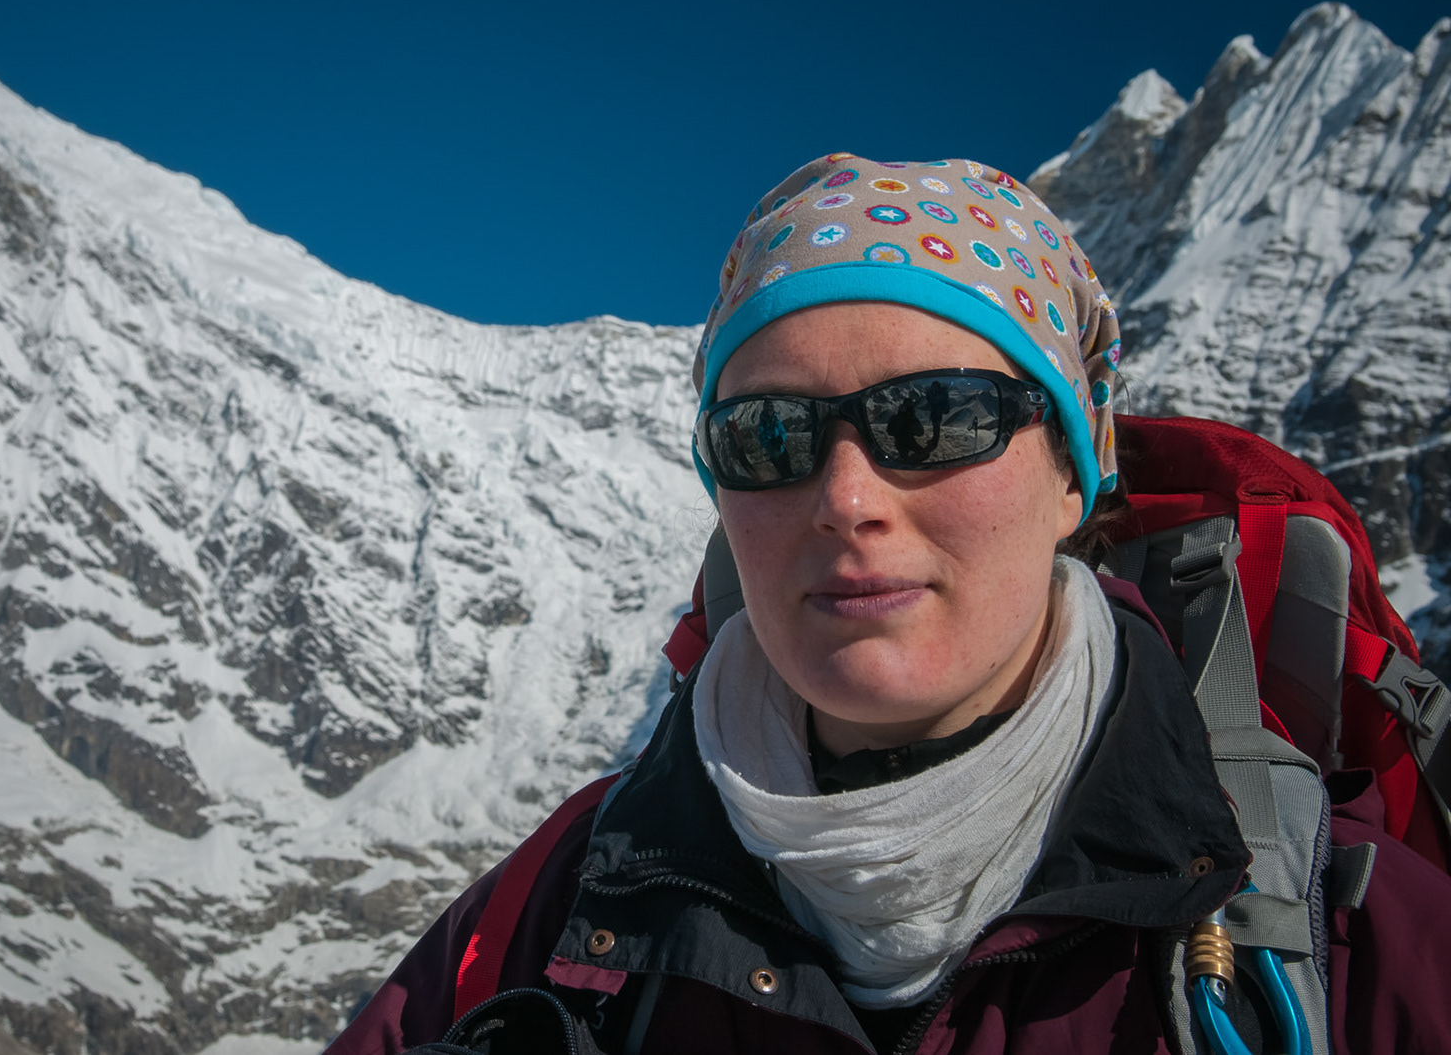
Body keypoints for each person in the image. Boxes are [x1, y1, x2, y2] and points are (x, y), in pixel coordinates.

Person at [329, 156, 1451, 1054]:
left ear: (1075, 470)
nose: (846, 499)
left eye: (941, 417)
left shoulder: (1350, 935)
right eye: (769, 436)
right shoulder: (553, 908)